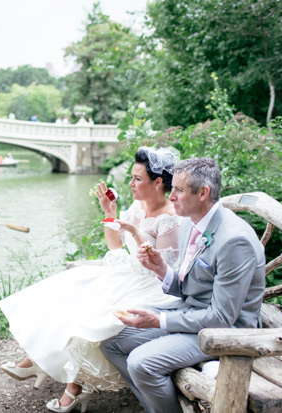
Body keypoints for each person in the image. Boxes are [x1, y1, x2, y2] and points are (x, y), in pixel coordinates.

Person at [0, 147, 184, 412]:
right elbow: (115, 246)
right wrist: (110, 213)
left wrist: (135, 232)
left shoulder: (170, 219)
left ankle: (70, 386)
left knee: (93, 314)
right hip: (128, 274)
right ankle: (40, 361)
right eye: (131, 177)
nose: (130, 184)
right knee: (69, 288)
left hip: (152, 286)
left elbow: (162, 268)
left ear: (157, 183)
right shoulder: (137, 206)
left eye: (137, 179)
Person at [100, 158, 266, 413]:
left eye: (178, 190)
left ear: (203, 193)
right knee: (110, 340)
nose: (171, 195)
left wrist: (159, 321)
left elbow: (222, 318)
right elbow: (190, 286)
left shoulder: (235, 240)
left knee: (141, 362)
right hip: (194, 312)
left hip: (229, 330)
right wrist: (162, 270)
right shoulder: (190, 220)